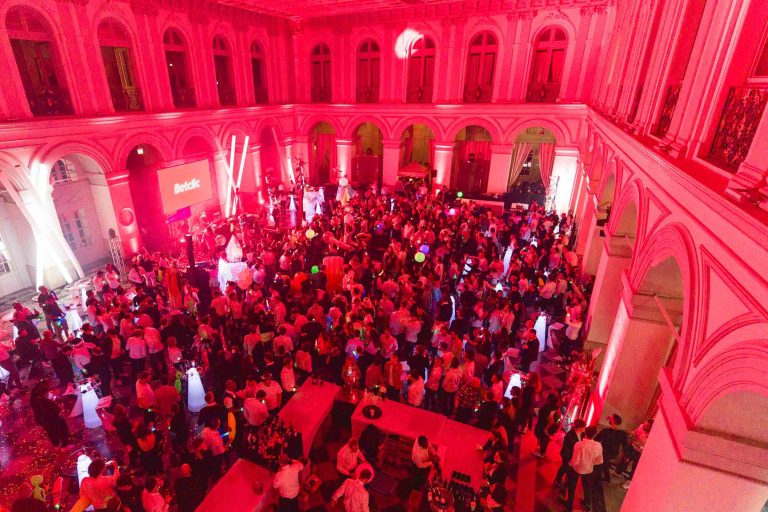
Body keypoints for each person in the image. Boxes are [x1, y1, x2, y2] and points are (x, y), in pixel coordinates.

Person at [565, 425, 603, 512]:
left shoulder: (579, 444)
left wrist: (569, 464)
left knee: (572, 487)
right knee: (586, 487)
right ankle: (588, 504)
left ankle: (569, 507)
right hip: (589, 470)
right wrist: (590, 463)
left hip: (577, 469)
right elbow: (599, 461)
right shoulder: (598, 445)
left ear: (585, 433)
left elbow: (575, 461)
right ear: (594, 434)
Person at [594, 414, 629, 482]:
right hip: (614, 453)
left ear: (613, 421)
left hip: (604, 453)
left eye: (611, 418)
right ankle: (607, 478)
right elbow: (625, 445)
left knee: (603, 464)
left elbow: (596, 440)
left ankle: (607, 478)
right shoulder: (622, 434)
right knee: (604, 464)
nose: (609, 418)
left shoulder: (605, 431)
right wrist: (626, 455)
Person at [556, 419, 585, 486]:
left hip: (574, 456)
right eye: (583, 427)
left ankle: (566, 480)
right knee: (564, 467)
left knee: (569, 469)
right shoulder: (569, 436)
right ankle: (558, 479)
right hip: (568, 456)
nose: (584, 428)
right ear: (578, 427)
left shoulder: (583, 434)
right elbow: (566, 449)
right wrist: (569, 460)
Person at [534, 393, 561, 457]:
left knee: (543, 438)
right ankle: (542, 452)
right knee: (545, 439)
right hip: (551, 427)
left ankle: (541, 453)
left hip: (545, 426)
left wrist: (545, 428)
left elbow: (551, 420)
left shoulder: (547, 408)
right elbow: (558, 417)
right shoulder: (556, 407)